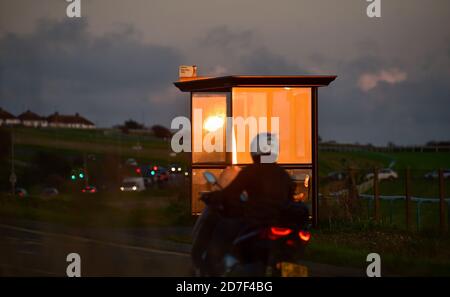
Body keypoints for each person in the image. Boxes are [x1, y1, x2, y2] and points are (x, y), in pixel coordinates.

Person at [202, 133, 296, 275]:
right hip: (278, 224)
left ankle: (211, 270)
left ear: (255, 150)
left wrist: (213, 196)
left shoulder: (251, 171)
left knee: (222, 229)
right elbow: (290, 200)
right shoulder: (284, 175)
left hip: (254, 220)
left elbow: (230, 192)